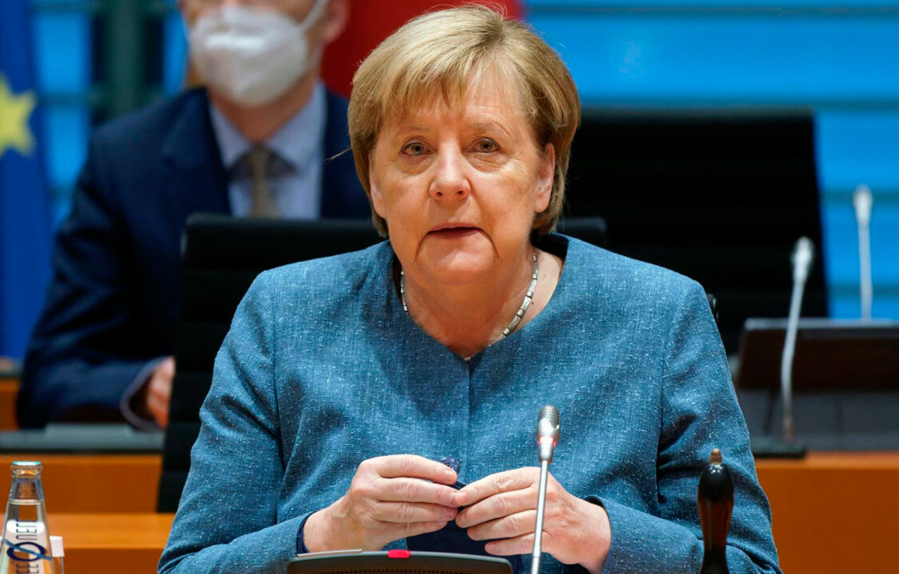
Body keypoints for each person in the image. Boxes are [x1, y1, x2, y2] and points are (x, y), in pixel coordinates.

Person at [159, 6, 781, 574]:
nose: (448, 181)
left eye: (486, 146)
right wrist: (323, 533)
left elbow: (750, 567)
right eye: (415, 149)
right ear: (374, 184)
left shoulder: (660, 318)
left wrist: (600, 535)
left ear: (544, 174)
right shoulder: (282, 316)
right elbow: (187, 568)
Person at [19, 0, 368, 429]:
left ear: (331, 14)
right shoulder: (125, 163)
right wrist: (146, 388)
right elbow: (52, 376)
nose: (233, 9)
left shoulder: (392, 157)